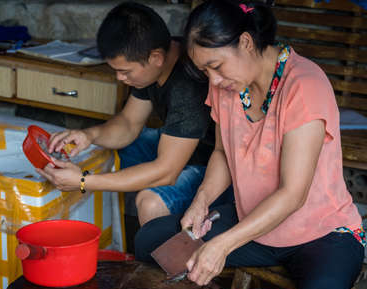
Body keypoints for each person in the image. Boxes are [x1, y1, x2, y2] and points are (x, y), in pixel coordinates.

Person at [134, 1, 365, 289]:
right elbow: (222, 153)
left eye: (216, 66)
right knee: (149, 241)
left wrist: (222, 244)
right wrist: (201, 201)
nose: (213, 80)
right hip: (253, 223)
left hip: (320, 234)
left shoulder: (304, 85)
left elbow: (293, 194)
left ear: (245, 42)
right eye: (206, 71)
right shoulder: (228, 85)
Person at [36, 2, 231, 226]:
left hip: (210, 166)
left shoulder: (186, 86)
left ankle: (154, 255)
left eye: (124, 71)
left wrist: (83, 181)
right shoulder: (153, 60)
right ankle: (109, 233)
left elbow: (166, 172)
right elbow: (129, 122)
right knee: (102, 150)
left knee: (150, 202)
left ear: (156, 57)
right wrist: (88, 136)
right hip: (176, 147)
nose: (120, 78)